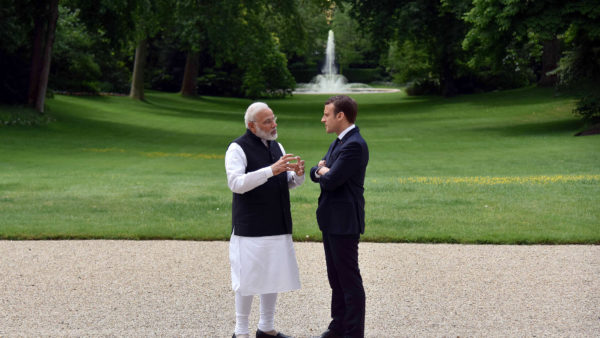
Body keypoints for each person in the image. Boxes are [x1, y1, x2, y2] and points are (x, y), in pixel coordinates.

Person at [225, 102, 305, 338]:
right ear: (252, 126)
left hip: (277, 223)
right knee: (247, 278)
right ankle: (240, 332)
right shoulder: (237, 148)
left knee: (273, 275)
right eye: (267, 121)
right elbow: (236, 184)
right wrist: (272, 170)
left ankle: (266, 328)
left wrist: (296, 175)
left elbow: (284, 181)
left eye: (273, 119)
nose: (274, 124)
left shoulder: (276, 146)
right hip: (250, 226)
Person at [310, 95, 369, 338]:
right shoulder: (339, 142)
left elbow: (331, 180)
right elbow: (317, 172)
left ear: (340, 116)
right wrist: (322, 170)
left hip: (344, 222)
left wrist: (324, 170)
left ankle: (353, 332)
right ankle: (338, 326)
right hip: (331, 220)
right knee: (335, 277)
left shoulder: (354, 144)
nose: (323, 119)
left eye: (326, 114)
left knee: (349, 279)